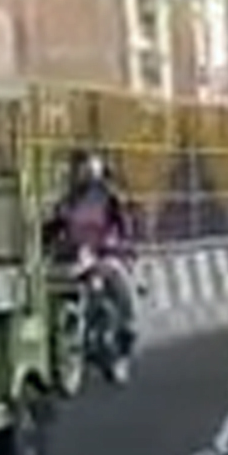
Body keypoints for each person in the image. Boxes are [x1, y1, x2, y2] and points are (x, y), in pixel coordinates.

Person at [43, 150, 144, 355]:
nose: (79, 173)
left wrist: (123, 244)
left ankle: (129, 326)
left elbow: (125, 224)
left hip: (105, 253)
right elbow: (56, 225)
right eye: (76, 169)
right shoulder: (68, 199)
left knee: (119, 278)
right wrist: (42, 239)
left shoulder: (108, 197)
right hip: (78, 256)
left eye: (83, 168)